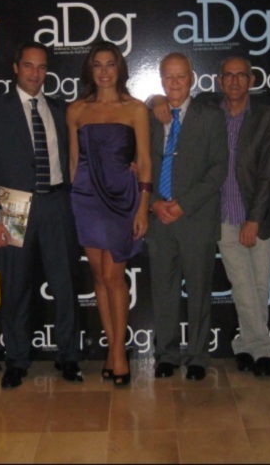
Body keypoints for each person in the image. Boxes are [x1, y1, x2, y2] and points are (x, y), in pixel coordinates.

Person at [0, 41, 84, 389]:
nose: (36, 73)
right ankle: (17, 360)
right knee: (16, 287)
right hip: (13, 207)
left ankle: (68, 357)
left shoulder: (59, 108)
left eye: (41, 67)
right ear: (15, 68)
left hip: (56, 204)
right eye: (29, 66)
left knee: (65, 286)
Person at [66, 41, 152, 387]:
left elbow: (145, 160)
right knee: (99, 278)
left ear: (120, 69)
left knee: (115, 276)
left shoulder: (135, 109)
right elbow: (73, 163)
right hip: (86, 198)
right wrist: (74, 199)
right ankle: (114, 349)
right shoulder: (75, 110)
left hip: (121, 198)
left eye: (110, 64)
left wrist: (143, 205)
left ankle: (118, 351)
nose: (103, 71)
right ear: (90, 70)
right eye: (97, 65)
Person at [148, 52, 228, 382]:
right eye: (169, 77)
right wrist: (154, 203)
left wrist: (183, 204)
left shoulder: (210, 117)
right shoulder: (151, 115)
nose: (175, 83)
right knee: (163, 292)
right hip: (159, 219)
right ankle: (166, 355)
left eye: (181, 76)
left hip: (195, 219)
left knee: (198, 293)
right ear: (161, 79)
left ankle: (197, 357)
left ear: (192, 78)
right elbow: (139, 166)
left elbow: (217, 169)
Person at [203, 56, 270, 377]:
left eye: (241, 76)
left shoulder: (266, 116)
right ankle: (263, 350)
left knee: (259, 286)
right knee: (244, 286)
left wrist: (254, 219)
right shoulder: (208, 114)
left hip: (255, 215)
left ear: (252, 80)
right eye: (228, 76)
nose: (234, 81)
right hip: (221, 215)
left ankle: (244, 346)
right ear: (220, 81)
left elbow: (268, 172)